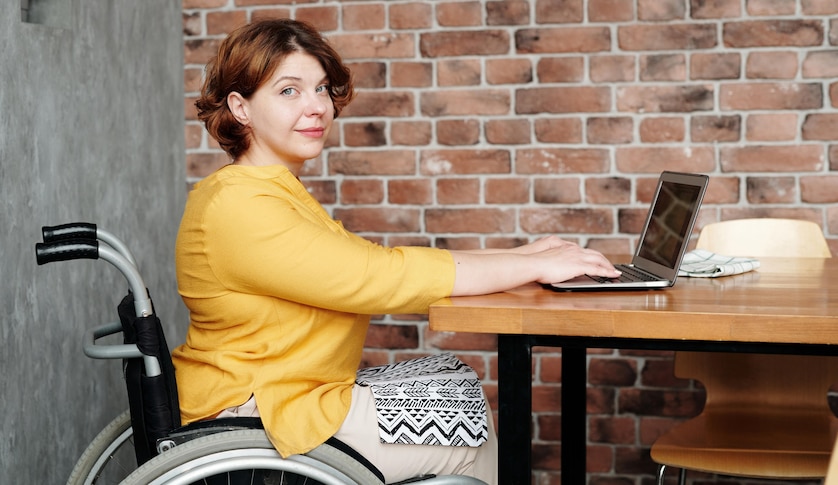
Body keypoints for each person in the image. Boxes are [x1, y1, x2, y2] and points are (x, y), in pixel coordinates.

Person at [172, 18, 621, 485]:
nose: (316, 107)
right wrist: (531, 264)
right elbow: (378, 277)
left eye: (321, 89)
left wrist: (525, 257)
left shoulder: (269, 192)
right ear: (240, 107)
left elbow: (373, 263)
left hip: (294, 394)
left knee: (459, 386)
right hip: (264, 411)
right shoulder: (240, 204)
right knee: (471, 437)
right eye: (289, 91)